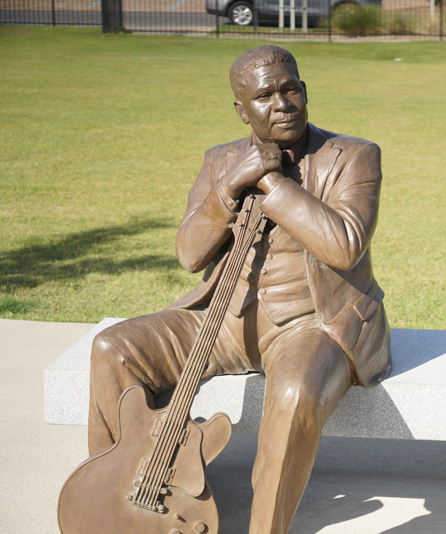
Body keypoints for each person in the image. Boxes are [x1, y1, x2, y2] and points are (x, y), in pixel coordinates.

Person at [87, 45, 391, 534]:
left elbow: (344, 246)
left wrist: (270, 182)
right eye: (265, 96)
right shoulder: (221, 160)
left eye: (290, 89)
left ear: (305, 90)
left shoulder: (353, 156)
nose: (282, 103)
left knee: (292, 392)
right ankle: (116, 498)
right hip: (223, 321)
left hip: (310, 324)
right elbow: (190, 255)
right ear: (242, 109)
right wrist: (229, 185)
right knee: (112, 348)